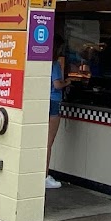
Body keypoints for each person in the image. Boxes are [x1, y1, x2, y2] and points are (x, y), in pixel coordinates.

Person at [45, 35, 70, 189]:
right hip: (54, 101)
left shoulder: (42, 62)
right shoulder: (54, 65)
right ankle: (44, 176)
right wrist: (68, 82)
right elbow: (57, 84)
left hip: (43, 101)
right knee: (49, 141)